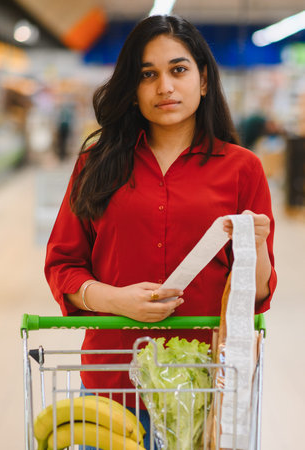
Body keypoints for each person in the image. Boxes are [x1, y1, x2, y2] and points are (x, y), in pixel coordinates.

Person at [45, 15, 277, 448]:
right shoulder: (96, 165)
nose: (164, 87)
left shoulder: (243, 169)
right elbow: (63, 265)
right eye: (147, 75)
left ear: (203, 80)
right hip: (113, 382)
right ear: (132, 89)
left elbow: (257, 292)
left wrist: (257, 247)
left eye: (178, 69)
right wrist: (115, 299)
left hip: (206, 385)